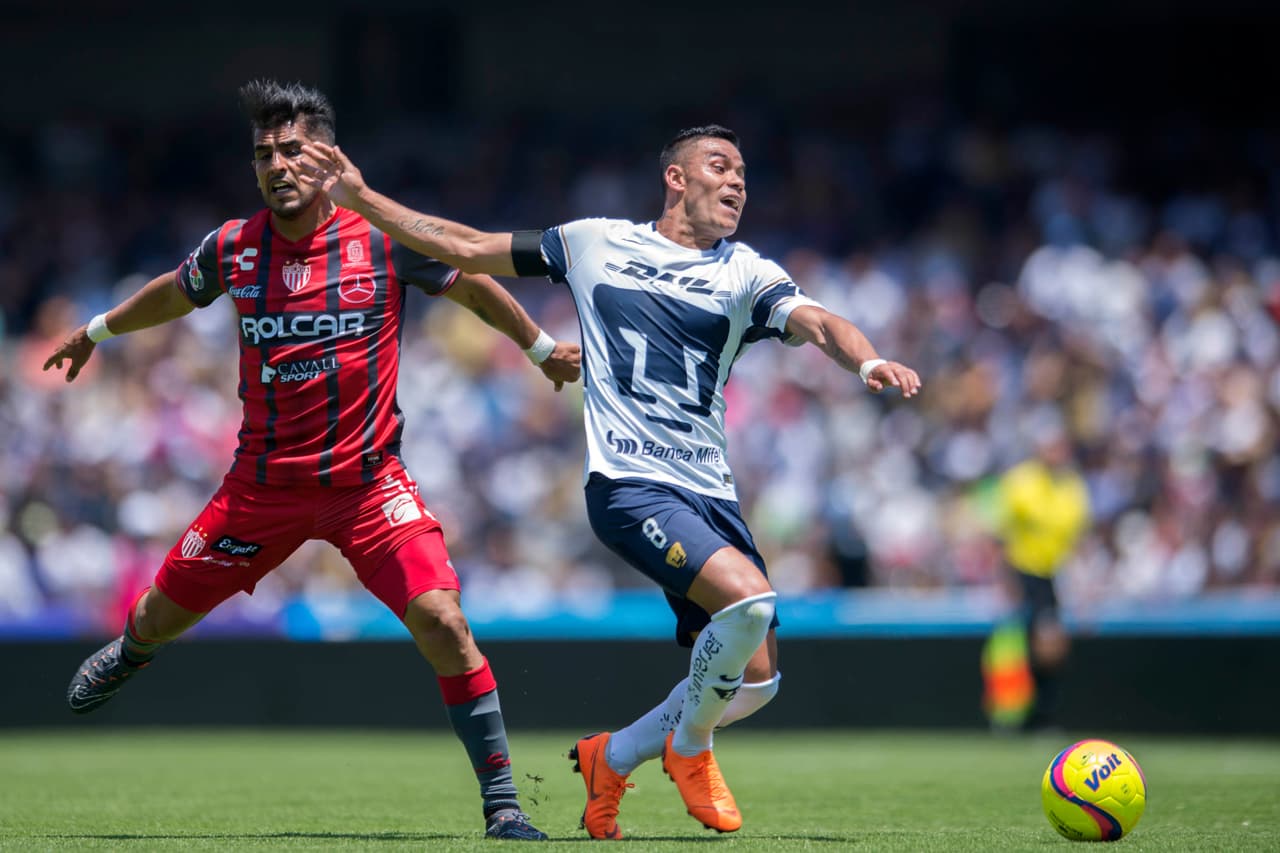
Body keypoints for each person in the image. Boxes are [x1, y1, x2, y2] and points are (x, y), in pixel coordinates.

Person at [296, 125, 922, 838]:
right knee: (749, 603)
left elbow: (821, 322)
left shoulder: (746, 272)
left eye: (744, 174)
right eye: (721, 166)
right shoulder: (594, 241)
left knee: (756, 681)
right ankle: (690, 750)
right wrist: (361, 197)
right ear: (676, 178)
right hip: (629, 483)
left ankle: (613, 756)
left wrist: (868, 361)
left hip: (710, 491)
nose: (737, 182)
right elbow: (466, 247)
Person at [42, 79, 580, 842]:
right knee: (157, 617)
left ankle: (502, 803)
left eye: (291, 149)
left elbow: (474, 289)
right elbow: (174, 292)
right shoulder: (234, 246)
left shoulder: (383, 238)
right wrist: (96, 330)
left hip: (368, 487)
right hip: (260, 490)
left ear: (327, 157)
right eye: (264, 154)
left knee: (444, 621)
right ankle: (131, 652)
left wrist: (540, 347)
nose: (277, 165)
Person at [988, 419, 1091, 732]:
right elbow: (1000, 533)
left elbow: (1077, 539)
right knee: (1021, 645)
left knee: (1049, 646)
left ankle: (1039, 714)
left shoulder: (1072, 486)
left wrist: (1082, 583)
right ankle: (1016, 714)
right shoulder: (1021, 482)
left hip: (1054, 574)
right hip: (1023, 571)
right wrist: (1004, 578)